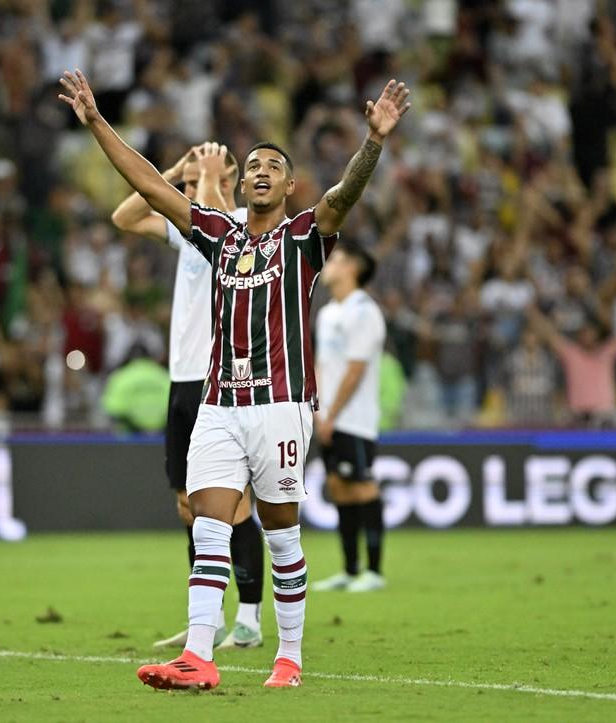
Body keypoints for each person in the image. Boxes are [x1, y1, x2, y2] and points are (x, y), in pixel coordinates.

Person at [59, 68, 411, 690]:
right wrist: (94, 122)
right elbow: (144, 182)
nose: (261, 171)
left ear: (289, 183)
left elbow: (346, 193)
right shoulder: (217, 237)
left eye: (273, 165)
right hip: (218, 405)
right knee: (208, 520)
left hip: (280, 406)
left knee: (281, 533)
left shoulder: (304, 238)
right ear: (242, 183)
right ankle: (198, 656)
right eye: (252, 166)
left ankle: (290, 657)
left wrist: (374, 143)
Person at [111, 144, 266, 651]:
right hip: (181, 377)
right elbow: (125, 216)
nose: (198, 170)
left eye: (212, 162)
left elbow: (215, 220)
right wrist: (175, 171)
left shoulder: (241, 223)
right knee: (188, 504)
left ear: (233, 177)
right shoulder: (186, 226)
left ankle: (249, 618)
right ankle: (208, 617)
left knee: (233, 504)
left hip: (220, 376)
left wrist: (208, 178)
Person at [311, 241, 387, 593]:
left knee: (362, 485)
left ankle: (374, 571)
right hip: (327, 417)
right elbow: (320, 366)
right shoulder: (328, 313)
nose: (330, 264)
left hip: (354, 418)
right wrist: (317, 410)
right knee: (339, 487)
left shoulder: (364, 312)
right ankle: (349, 568)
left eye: (338, 259)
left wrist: (333, 414)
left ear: (353, 269)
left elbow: (355, 371)